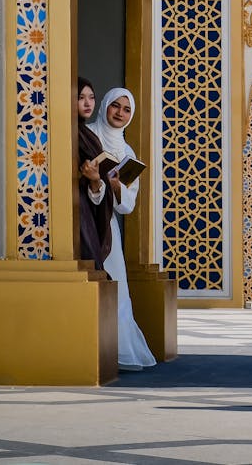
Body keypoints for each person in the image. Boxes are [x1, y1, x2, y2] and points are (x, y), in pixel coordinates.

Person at [88, 87, 157, 371]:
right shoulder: (88, 136)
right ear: (104, 106)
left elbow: (126, 207)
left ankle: (116, 350)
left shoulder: (127, 152)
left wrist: (116, 186)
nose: (119, 113)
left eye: (126, 109)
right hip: (82, 218)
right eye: (115, 106)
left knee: (115, 285)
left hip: (107, 224)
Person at [76, 77, 114, 269]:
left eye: (91, 97)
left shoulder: (87, 135)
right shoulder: (69, 133)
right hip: (76, 210)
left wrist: (96, 180)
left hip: (88, 209)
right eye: (81, 97)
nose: (87, 103)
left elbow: (95, 183)